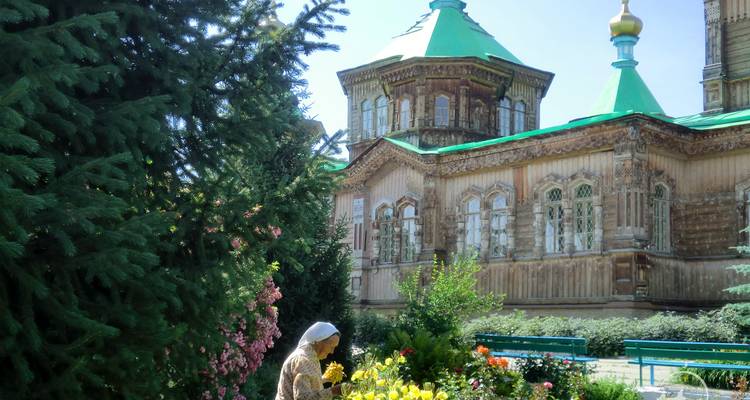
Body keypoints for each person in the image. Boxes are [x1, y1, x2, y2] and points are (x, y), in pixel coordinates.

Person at [275, 322, 343, 400]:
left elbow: (307, 383)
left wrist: (324, 379)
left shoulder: (310, 357)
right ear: (319, 341)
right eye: (331, 346)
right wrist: (334, 391)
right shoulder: (303, 360)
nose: (332, 351)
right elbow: (302, 397)